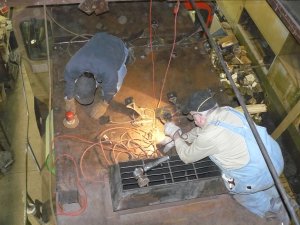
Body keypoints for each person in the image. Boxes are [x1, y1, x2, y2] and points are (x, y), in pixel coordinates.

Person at [164, 89, 290, 224]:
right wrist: (185, 137)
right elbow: (204, 128)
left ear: (200, 116)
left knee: (247, 198)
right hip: (274, 160)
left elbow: (186, 156)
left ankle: (275, 217)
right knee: (272, 188)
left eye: (194, 117)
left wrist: (175, 134)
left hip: (255, 176)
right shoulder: (228, 111)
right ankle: (285, 203)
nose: (194, 121)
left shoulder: (210, 136)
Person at [64, 32, 134, 120]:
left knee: (117, 80)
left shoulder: (109, 73)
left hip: (118, 46)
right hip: (100, 37)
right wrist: (68, 99)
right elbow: (69, 81)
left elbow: (110, 90)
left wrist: (104, 104)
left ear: (95, 87)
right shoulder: (71, 67)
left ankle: (128, 50)